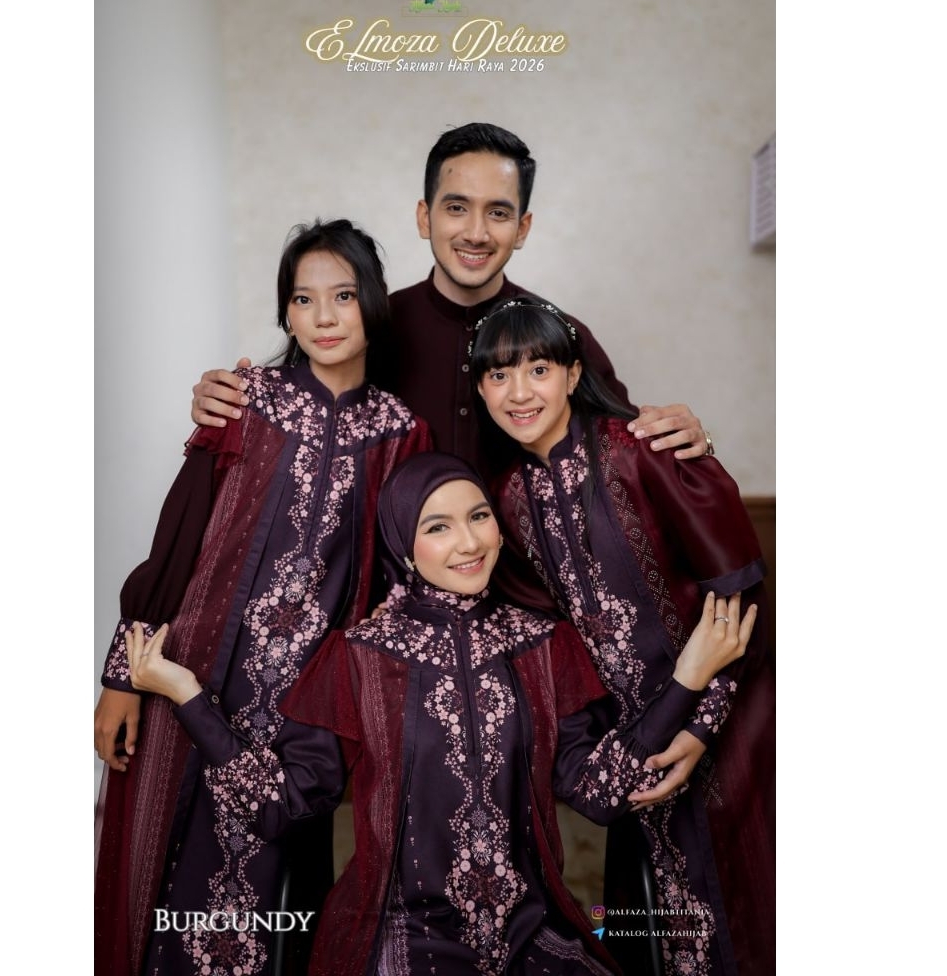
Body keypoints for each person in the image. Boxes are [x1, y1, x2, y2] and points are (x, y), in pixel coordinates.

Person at [124, 452, 756, 976]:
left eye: (479, 516)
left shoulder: (545, 646)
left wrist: (688, 679)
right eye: (438, 527)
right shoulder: (357, 658)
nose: (469, 542)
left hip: (533, 935)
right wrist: (186, 694)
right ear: (404, 545)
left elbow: (599, 792)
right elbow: (281, 805)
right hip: (399, 934)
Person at [93, 219, 432, 976]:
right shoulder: (246, 405)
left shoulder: (400, 433)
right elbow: (177, 540)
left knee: (280, 892)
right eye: (303, 299)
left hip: (303, 713)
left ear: (373, 304)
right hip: (189, 674)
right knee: (161, 870)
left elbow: (399, 576)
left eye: (343, 296)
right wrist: (121, 676)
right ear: (285, 313)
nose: (323, 316)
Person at [469, 297, 776, 976]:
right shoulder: (507, 500)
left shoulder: (644, 452)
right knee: (658, 929)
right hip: (638, 740)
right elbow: (552, 640)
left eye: (538, 369)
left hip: (739, 723)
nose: (519, 392)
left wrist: (700, 729)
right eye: (498, 375)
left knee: (756, 904)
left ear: (574, 374)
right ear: (481, 390)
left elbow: (742, 598)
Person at [187, 123, 709, 478]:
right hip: (391, 591)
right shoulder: (368, 326)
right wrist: (227, 402)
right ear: (425, 217)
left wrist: (689, 442)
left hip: (535, 593)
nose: (476, 232)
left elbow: (628, 451)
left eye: (498, 213)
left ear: (522, 228)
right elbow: (297, 420)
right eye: (457, 207)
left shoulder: (563, 334)